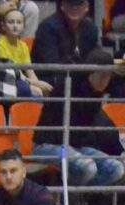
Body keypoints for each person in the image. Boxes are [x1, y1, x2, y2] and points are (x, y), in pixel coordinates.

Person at [32, 48, 125, 187]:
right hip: (47, 144)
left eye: (108, 76)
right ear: (90, 74)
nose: (104, 81)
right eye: (101, 76)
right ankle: (72, 200)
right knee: (87, 167)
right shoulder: (69, 84)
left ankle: (86, 197)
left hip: (76, 145)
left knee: (116, 169)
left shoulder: (97, 91)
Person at [31, 0, 99, 95]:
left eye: (79, 3)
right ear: (62, 5)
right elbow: (50, 64)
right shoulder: (48, 27)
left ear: (87, 7)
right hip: (51, 77)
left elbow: (96, 56)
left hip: (79, 76)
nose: (75, 7)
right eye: (70, 3)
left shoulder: (91, 28)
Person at [0, 8, 53, 97]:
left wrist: (39, 84)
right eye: (11, 22)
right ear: (3, 26)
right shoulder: (0, 45)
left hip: (22, 79)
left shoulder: (23, 46)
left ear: (23, 26)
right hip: (8, 80)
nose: (15, 26)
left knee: (45, 90)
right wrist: (37, 85)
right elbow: (12, 74)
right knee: (34, 91)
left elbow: (30, 71)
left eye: (19, 22)